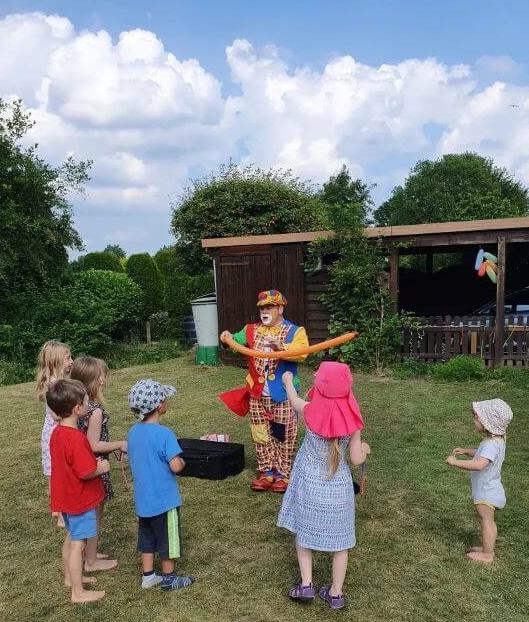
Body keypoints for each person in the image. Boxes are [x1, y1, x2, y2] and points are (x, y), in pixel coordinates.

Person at [277, 362, 370, 610]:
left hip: (309, 488)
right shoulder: (353, 421)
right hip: (339, 492)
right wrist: (364, 449)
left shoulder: (308, 410)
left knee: (303, 537)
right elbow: (357, 459)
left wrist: (287, 381)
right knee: (341, 545)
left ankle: (306, 585)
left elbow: (293, 398)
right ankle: (336, 593)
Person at [220, 289, 309, 492]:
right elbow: (236, 340)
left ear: (280, 308)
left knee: (283, 433)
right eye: (262, 308)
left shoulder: (296, 331)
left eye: (269, 307)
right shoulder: (251, 329)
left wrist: (282, 349)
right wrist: (227, 338)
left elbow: (302, 355)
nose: (264, 311)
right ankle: (266, 471)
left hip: (285, 395)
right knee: (260, 433)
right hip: (257, 394)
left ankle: (283, 474)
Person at [127, 379, 195, 591]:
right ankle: (169, 578)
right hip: (165, 501)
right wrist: (183, 461)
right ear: (159, 406)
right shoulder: (165, 434)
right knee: (168, 539)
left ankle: (148, 576)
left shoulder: (133, 432)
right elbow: (175, 466)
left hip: (143, 501)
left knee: (146, 537)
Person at [48, 379, 110, 603]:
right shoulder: (75, 438)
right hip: (79, 500)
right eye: (85, 401)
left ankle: (70, 579)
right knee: (78, 544)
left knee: (71, 538)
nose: (88, 404)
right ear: (77, 409)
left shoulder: (57, 433)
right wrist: (100, 467)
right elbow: (85, 471)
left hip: (66, 498)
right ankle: (78, 592)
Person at [71, 356, 126, 571]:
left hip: (83, 467)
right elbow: (93, 445)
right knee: (95, 513)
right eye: (104, 375)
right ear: (98, 381)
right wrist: (119, 444)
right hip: (96, 468)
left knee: (91, 513)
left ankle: (89, 553)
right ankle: (91, 561)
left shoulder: (78, 408)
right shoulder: (95, 411)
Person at [446, 398, 513, 564]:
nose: (474, 420)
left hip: (486, 491)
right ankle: (486, 547)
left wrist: (455, 462)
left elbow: (479, 464)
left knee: (487, 521)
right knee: (485, 520)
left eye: (477, 417)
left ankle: (487, 555)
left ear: (488, 422)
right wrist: (467, 451)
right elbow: (483, 454)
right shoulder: (497, 440)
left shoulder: (491, 444)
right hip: (489, 488)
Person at [36, 340, 73, 527]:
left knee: (62, 471)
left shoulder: (61, 381)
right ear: (56, 361)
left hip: (61, 433)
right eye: (68, 358)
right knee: (55, 473)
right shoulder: (53, 385)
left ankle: (62, 508)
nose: (71, 361)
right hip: (54, 436)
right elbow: (56, 413)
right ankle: (59, 512)